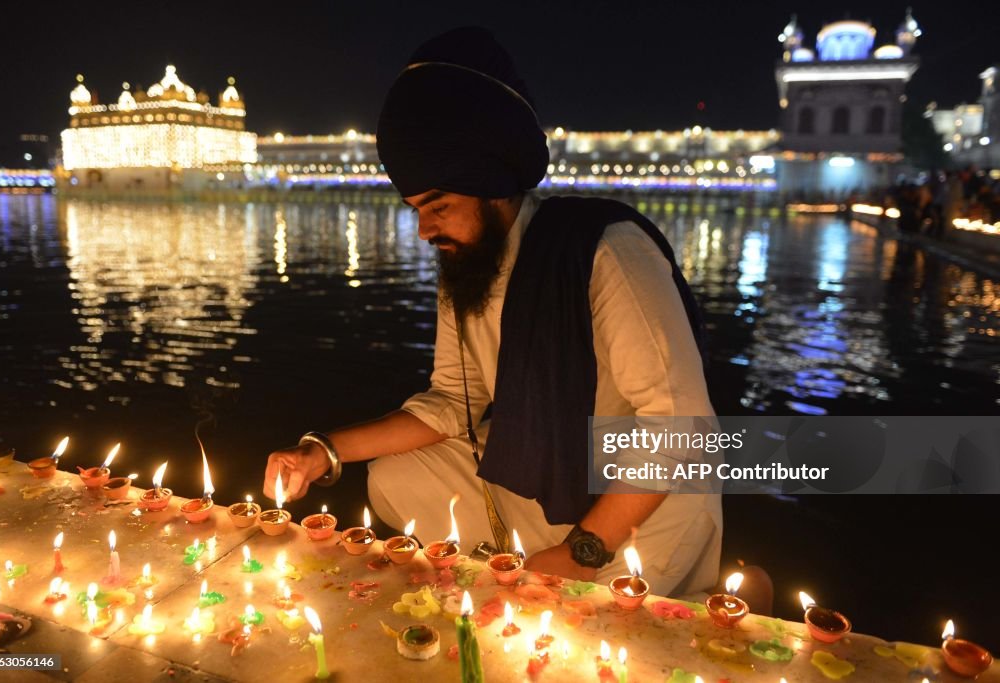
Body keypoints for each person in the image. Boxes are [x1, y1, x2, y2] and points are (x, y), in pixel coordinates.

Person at [263, 27, 730, 605]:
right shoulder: (470, 263)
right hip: (538, 480)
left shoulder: (605, 250)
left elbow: (681, 428)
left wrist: (581, 551)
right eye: (415, 209)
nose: (424, 230)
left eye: (440, 207)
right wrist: (321, 453)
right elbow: (451, 398)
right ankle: (521, 560)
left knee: (577, 637)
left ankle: (714, 580)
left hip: (637, 510)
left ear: (494, 188)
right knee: (392, 476)